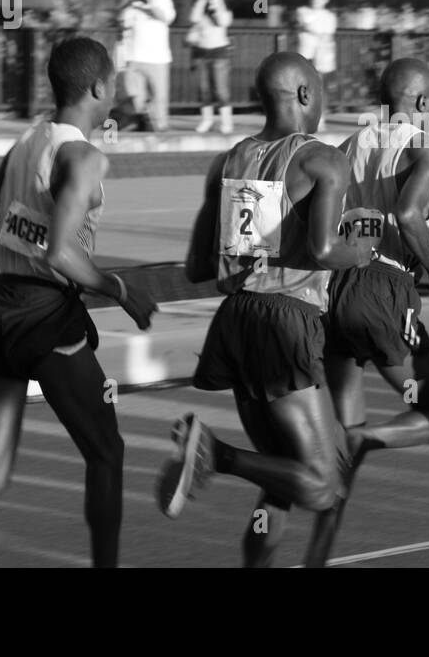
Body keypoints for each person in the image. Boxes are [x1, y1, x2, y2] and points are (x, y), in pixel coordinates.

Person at [0, 37, 158, 568]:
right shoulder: (83, 156)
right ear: (99, 88)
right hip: (45, 321)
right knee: (107, 454)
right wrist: (120, 289)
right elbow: (61, 252)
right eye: (113, 87)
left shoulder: (27, 143)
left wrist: (21, 265)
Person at [156, 52, 381, 568]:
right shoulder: (322, 158)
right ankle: (215, 452)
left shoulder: (229, 160)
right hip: (288, 321)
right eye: (321, 91)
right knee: (324, 485)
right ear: (304, 94)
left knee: (278, 474)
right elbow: (325, 250)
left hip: (236, 320)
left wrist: (254, 250)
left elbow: (196, 266)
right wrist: (364, 250)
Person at [304, 58, 429, 566]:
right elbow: (408, 213)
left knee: (341, 462)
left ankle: (318, 555)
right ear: (420, 103)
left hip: (336, 290)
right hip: (386, 288)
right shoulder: (424, 147)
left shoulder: (347, 147)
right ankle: (363, 437)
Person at [120, 0, 177, 132]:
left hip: (158, 58)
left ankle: (161, 128)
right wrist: (127, 2)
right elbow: (123, 24)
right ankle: (141, 124)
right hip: (136, 57)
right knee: (137, 99)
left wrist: (148, 3)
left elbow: (165, 17)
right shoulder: (133, 1)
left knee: (160, 98)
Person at [187, 0, 235, 135]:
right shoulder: (201, 13)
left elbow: (223, 21)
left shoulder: (225, 11)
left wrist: (218, 1)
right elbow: (193, 18)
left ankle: (226, 122)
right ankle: (207, 120)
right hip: (202, 54)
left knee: (221, 90)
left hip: (219, 54)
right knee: (204, 90)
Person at [296, 0, 339, 127]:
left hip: (321, 57)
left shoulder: (330, 16)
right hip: (306, 55)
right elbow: (309, 25)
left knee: (319, 87)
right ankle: (303, 116)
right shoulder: (303, 11)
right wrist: (319, 32)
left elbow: (326, 31)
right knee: (302, 87)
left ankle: (320, 117)